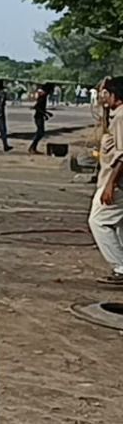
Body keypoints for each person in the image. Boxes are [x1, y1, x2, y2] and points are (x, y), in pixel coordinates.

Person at [90, 77, 123, 287]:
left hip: (116, 181)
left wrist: (111, 183)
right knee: (118, 225)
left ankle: (120, 266)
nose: (102, 97)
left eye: (105, 93)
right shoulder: (115, 115)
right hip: (112, 178)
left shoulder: (121, 117)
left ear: (115, 95)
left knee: (98, 220)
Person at [28, 83, 54, 155]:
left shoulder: (43, 96)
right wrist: (45, 114)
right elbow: (37, 107)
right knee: (40, 133)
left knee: (40, 133)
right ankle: (32, 147)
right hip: (38, 116)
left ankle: (33, 147)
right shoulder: (43, 96)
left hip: (40, 116)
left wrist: (47, 113)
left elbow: (38, 107)